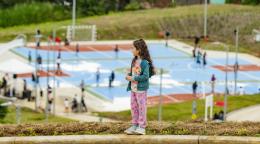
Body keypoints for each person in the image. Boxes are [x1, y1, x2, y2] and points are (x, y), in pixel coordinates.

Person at [124, 39, 155, 135]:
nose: (131, 50)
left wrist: (132, 77)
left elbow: (145, 76)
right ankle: (134, 124)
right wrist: (128, 75)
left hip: (141, 89)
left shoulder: (145, 63)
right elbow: (133, 72)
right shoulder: (134, 60)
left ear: (139, 50)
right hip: (133, 88)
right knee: (134, 107)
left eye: (133, 48)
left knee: (141, 107)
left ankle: (142, 126)